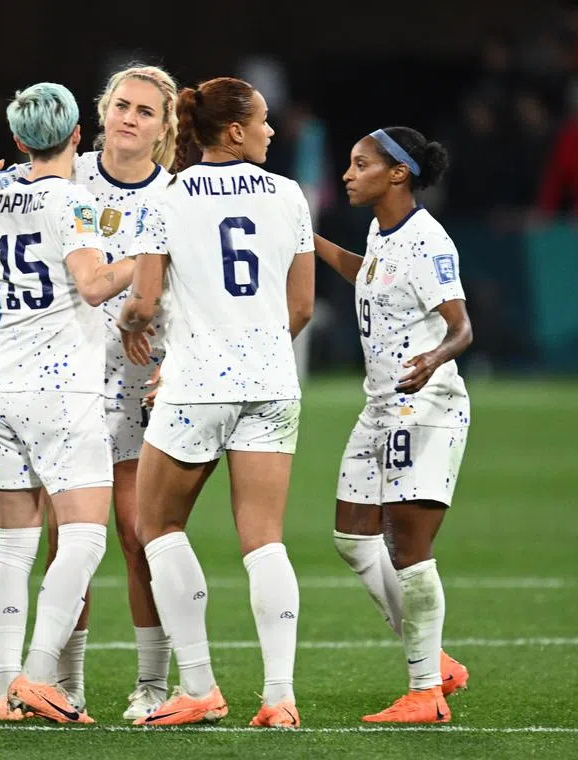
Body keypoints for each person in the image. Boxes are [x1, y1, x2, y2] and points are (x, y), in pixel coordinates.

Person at [0, 63, 179, 720]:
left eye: (145, 111)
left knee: (136, 533)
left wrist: (165, 339)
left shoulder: (175, 195)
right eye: (122, 105)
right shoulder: (64, 174)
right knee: (61, 538)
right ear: (97, 116)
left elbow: (188, 283)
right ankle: (63, 681)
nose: (130, 119)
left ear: (164, 128)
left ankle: (152, 683)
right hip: (64, 381)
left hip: (135, 381)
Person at [120, 76, 314, 728]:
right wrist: (255, 347)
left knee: (157, 527)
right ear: (234, 131)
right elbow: (301, 306)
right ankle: (279, 697)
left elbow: (144, 302)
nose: (270, 130)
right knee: (264, 541)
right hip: (273, 382)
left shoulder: (167, 198)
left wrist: (128, 323)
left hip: (197, 384)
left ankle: (199, 686)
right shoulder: (289, 195)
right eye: (263, 120)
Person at [314, 126, 473, 724]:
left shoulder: (428, 241)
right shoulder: (382, 232)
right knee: (353, 537)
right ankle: (436, 661)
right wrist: (310, 241)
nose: (348, 174)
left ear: (398, 173)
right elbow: (373, 276)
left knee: (408, 549)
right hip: (378, 406)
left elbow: (462, 327)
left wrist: (433, 359)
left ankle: (426, 691)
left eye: (361, 165)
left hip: (424, 407)